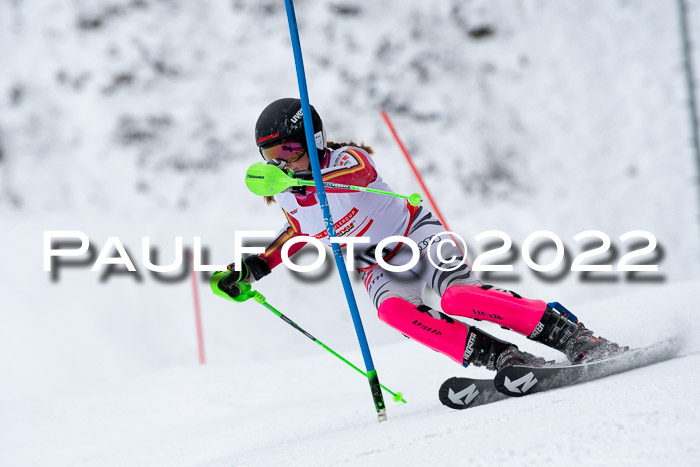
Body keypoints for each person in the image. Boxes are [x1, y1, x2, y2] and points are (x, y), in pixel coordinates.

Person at [214, 97, 624, 371]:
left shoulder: (345, 159)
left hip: (416, 236)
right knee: (393, 311)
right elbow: (297, 233)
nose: (281, 164)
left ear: (313, 139)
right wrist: (253, 269)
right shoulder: (290, 197)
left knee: (456, 296)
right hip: (375, 265)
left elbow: (355, 174)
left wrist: (312, 181)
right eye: (271, 157)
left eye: (289, 150)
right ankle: (502, 358)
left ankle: (572, 335)